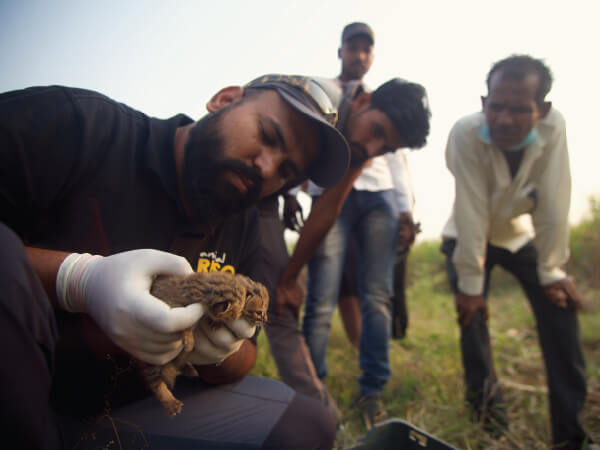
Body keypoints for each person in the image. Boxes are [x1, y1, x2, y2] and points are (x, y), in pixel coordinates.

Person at [0, 75, 351, 450]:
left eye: (286, 172)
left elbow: (248, 354)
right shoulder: (79, 125)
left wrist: (218, 348)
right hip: (20, 393)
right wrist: (77, 279)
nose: (267, 168)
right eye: (267, 134)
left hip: (124, 413)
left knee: (307, 427)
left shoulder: (244, 223)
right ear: (224, 99)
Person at [440, 54, 593, 449]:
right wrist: (471, 286)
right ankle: (490, 423)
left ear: (541, 110)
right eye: (496, 106)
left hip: (515, 234)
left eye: (519, 109)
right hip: (466, 235)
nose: (505, 120)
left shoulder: (554, 130)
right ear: (483, 103)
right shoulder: (465, 134)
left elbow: (555, 201)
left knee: (559, 310)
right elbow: (472, 210)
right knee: (472, 320)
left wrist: (552, 269)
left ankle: (571, 435)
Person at [273, 73, 430, 431]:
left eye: (386, 148)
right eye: (376, 131)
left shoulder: (360, 150)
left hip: (374, 204)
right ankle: (311, 392)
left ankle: (371, 392)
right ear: (362, 102)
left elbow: (328, 208)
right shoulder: (315, 100)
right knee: (320, 299)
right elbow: (320, 203)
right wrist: (287, 275)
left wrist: (288, 277)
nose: (373, 150)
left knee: (377, 295)